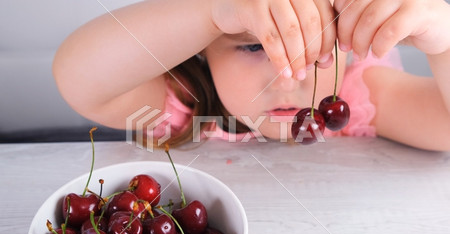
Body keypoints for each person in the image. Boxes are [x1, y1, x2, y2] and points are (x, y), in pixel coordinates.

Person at [52, 0, 450, 151]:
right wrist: (210, 12)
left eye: (319, 49)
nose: (287, 77)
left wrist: (444, 40)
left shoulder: (359, 94)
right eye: (253, 46)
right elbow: (79, 81)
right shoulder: (188, 101)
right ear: (203, 49)